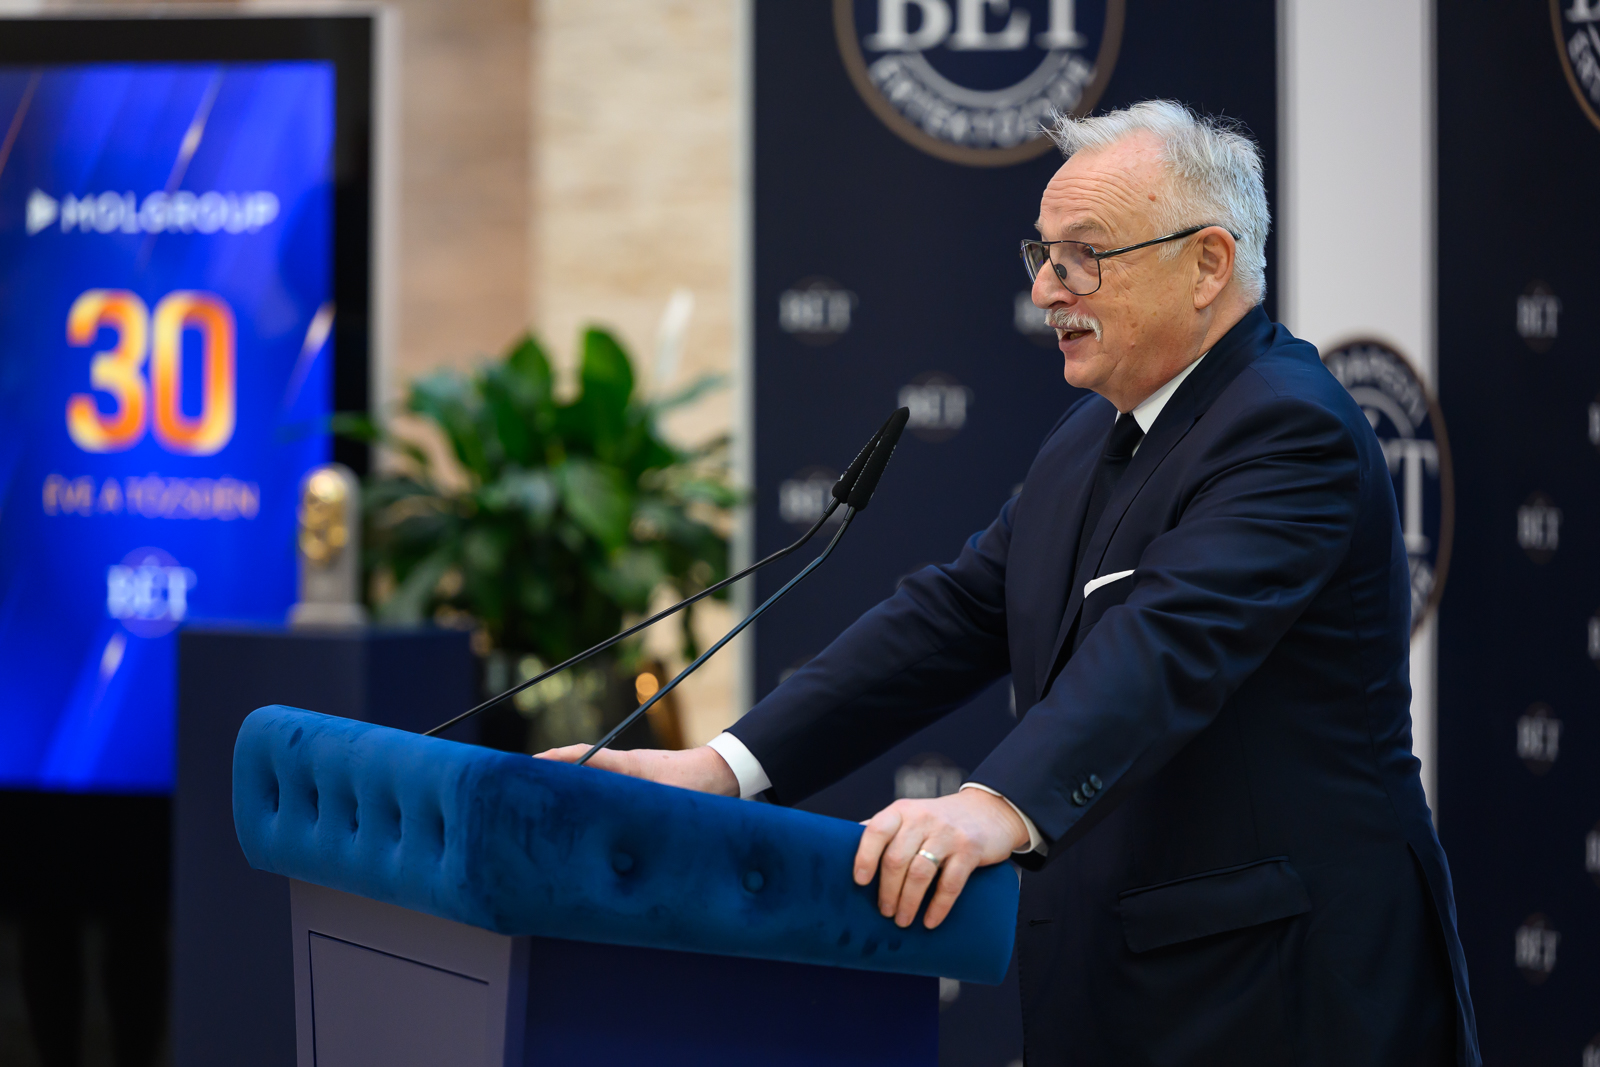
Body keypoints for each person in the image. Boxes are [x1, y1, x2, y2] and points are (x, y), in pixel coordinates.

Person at [540, 100, 1478, 1066]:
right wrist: (724, 767)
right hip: (1118, 984)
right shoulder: (1090, 433)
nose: (1045, 290)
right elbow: (952, 616)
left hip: (1285, 994)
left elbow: (1165, 644)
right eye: (1042, 254)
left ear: (1208, 264)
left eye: (1085, 256)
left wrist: (992, 801)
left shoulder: (1289, 428)